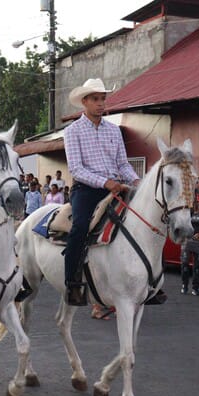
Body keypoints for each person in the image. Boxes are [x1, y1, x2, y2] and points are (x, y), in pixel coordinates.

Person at [63, 78, 139, 306]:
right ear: (84, 102)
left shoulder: (114, 131)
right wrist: (105, 182)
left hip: (116, 187)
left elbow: (123, 164)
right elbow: (75, 168)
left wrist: (137, 182)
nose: (100, 103)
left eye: (102, 99)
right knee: (79, 227)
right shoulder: (72, 131)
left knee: (144, 221)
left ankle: (148, 280)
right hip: (86, 190)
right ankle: (73, 283)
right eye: (95, 99)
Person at [181, 200, 199, 296]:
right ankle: (184, 285)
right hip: (187, 242)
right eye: (193, 202)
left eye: (197, 202)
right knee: (185, 264)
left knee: (197, 267)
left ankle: (195, 288)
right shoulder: (187, 213)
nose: (195, 204)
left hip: (197, 243)